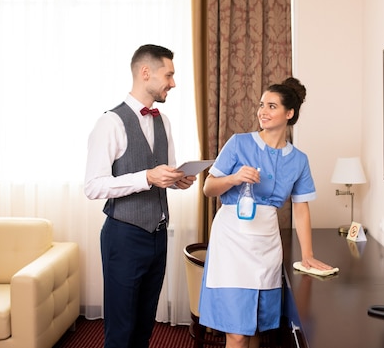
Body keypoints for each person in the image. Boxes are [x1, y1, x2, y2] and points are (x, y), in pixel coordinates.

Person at [199, 77, 332, 348]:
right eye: (261, 105)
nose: (263, 111)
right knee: (236, 333)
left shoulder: (299, 160)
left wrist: (307, 255)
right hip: (232, 241)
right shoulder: (239, 144)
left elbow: (301, 207)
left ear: (289, 113)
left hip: (266, 243)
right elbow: (209, 188)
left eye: (271, 106)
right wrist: (234, 178)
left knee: (256, 327)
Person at [84, 44, 196, 348]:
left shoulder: (164, 121)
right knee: (120, 331)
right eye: (169, 74)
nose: (173, 82)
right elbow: (93, 186)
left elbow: (165, 174)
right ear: (145, 72)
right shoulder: (110, 122)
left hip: (158, 236)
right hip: (123, 237)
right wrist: (146, 177)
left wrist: (177, 180)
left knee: (145, 327)